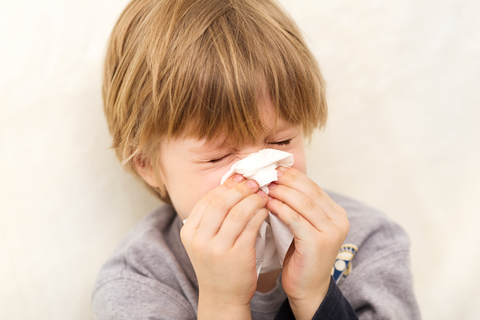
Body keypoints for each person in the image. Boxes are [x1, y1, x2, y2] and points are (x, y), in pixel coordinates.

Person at [92, 0, 421, 319]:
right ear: (147, 165)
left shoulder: (367, 243)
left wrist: (315, 295)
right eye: (218, 156)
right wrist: (223, 303)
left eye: (281, 141)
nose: (260, 178)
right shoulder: (139, 282)